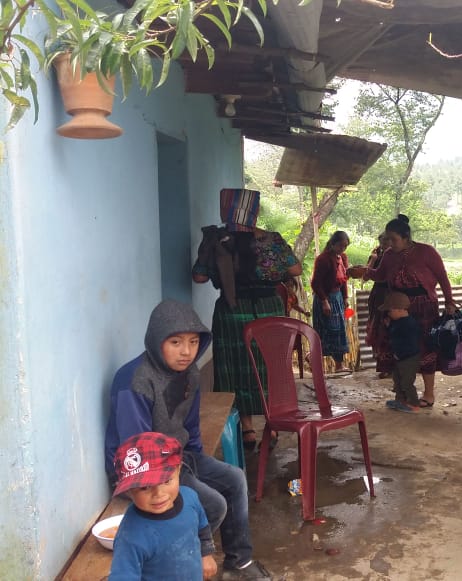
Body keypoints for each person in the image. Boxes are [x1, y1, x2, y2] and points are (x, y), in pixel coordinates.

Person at [104, 299, 274, 579]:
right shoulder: (134, 382)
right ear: (157, 341)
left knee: (234, 478)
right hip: (141, 472)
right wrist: (184, 475)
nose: (186, 352)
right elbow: (138, 451)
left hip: (179, 457)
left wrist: (197, 459)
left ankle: (239, 561)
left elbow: (190, 425)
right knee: (212, 504)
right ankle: (183, 565)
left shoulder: (190, 373)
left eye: (194, 342)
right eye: (176, 342)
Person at [192, 188, 302, 451]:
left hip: (232, 311)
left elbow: (199, 276)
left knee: (236, 369)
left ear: (226, 209)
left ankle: (247, 429)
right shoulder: (271, 240)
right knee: (269, 366)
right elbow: (295, 269)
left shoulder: (217, 239)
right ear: (254, 211)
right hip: (269, 309)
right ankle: (272, 426)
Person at [357, 214, 456, 408]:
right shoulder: (388, 255)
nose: (390, 243)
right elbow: (381, 275)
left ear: (406, 238)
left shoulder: (426, 252)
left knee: (425, 347)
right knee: (397, 347)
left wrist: (449, 301)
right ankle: (402, 392)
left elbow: (442, 277)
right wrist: (366, 272)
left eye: (394, 239)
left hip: (424, 306)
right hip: (397, 307)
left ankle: (428, 394)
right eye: (388, 239)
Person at [109, 432, 217, 580]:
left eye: (166, 481)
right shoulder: (130, 536)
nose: (158, 494)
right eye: (145, 488)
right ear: (129, 491)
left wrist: (206, 554)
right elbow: (123, 575)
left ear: (178, 471)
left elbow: (202, 527)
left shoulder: (190, 498)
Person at [311, 230, 351, 373]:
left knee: (338, 330)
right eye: (340, 245)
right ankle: (315, 359)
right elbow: (316, 283)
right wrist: (324, 301)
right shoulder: (323, 259)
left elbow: (344, 280)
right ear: (333, 243)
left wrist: (345, 297)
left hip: (337, 297)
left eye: (345, 246)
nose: (342, 249)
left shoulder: (343, 258)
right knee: (328, 330)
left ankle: (339, 365)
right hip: (325, 298)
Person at [381, 292, 422, 413]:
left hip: (409, 358)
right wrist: (389, 326)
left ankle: (414, 404)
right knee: (397, 380)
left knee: (407, 382)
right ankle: (400, 400)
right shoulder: (397, 322)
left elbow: (410, 342)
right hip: (400, 357)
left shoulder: (410, 324)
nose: (388, 313)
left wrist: (401, 353)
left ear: (399, 310)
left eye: (390, 310)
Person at [364, 232, 393, 379]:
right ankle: (384, 366)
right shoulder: (377, 255)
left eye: (387, 242)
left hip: (393, 295)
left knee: (392, 329)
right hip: (379, 296)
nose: (384, 246)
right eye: (382, 243)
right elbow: (365, 276)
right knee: (379, 329)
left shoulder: (397, 255)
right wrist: (373, 260)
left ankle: (396, 365)